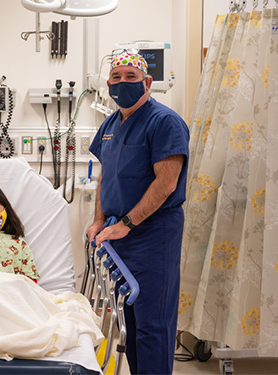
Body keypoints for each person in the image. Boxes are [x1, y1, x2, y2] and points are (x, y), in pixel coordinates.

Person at [86, 50, 189, 375]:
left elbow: (167, 182)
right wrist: (99, 220)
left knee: (152, 326)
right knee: (127, 322)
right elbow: (107, 174)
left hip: (153, 235)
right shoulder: (111, 124)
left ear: (147, 82)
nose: (122, 83)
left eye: (131, 77)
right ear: (108, 84)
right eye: (116, 78)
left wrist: (128, 223)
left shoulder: (165, 122)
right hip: (119, 235)